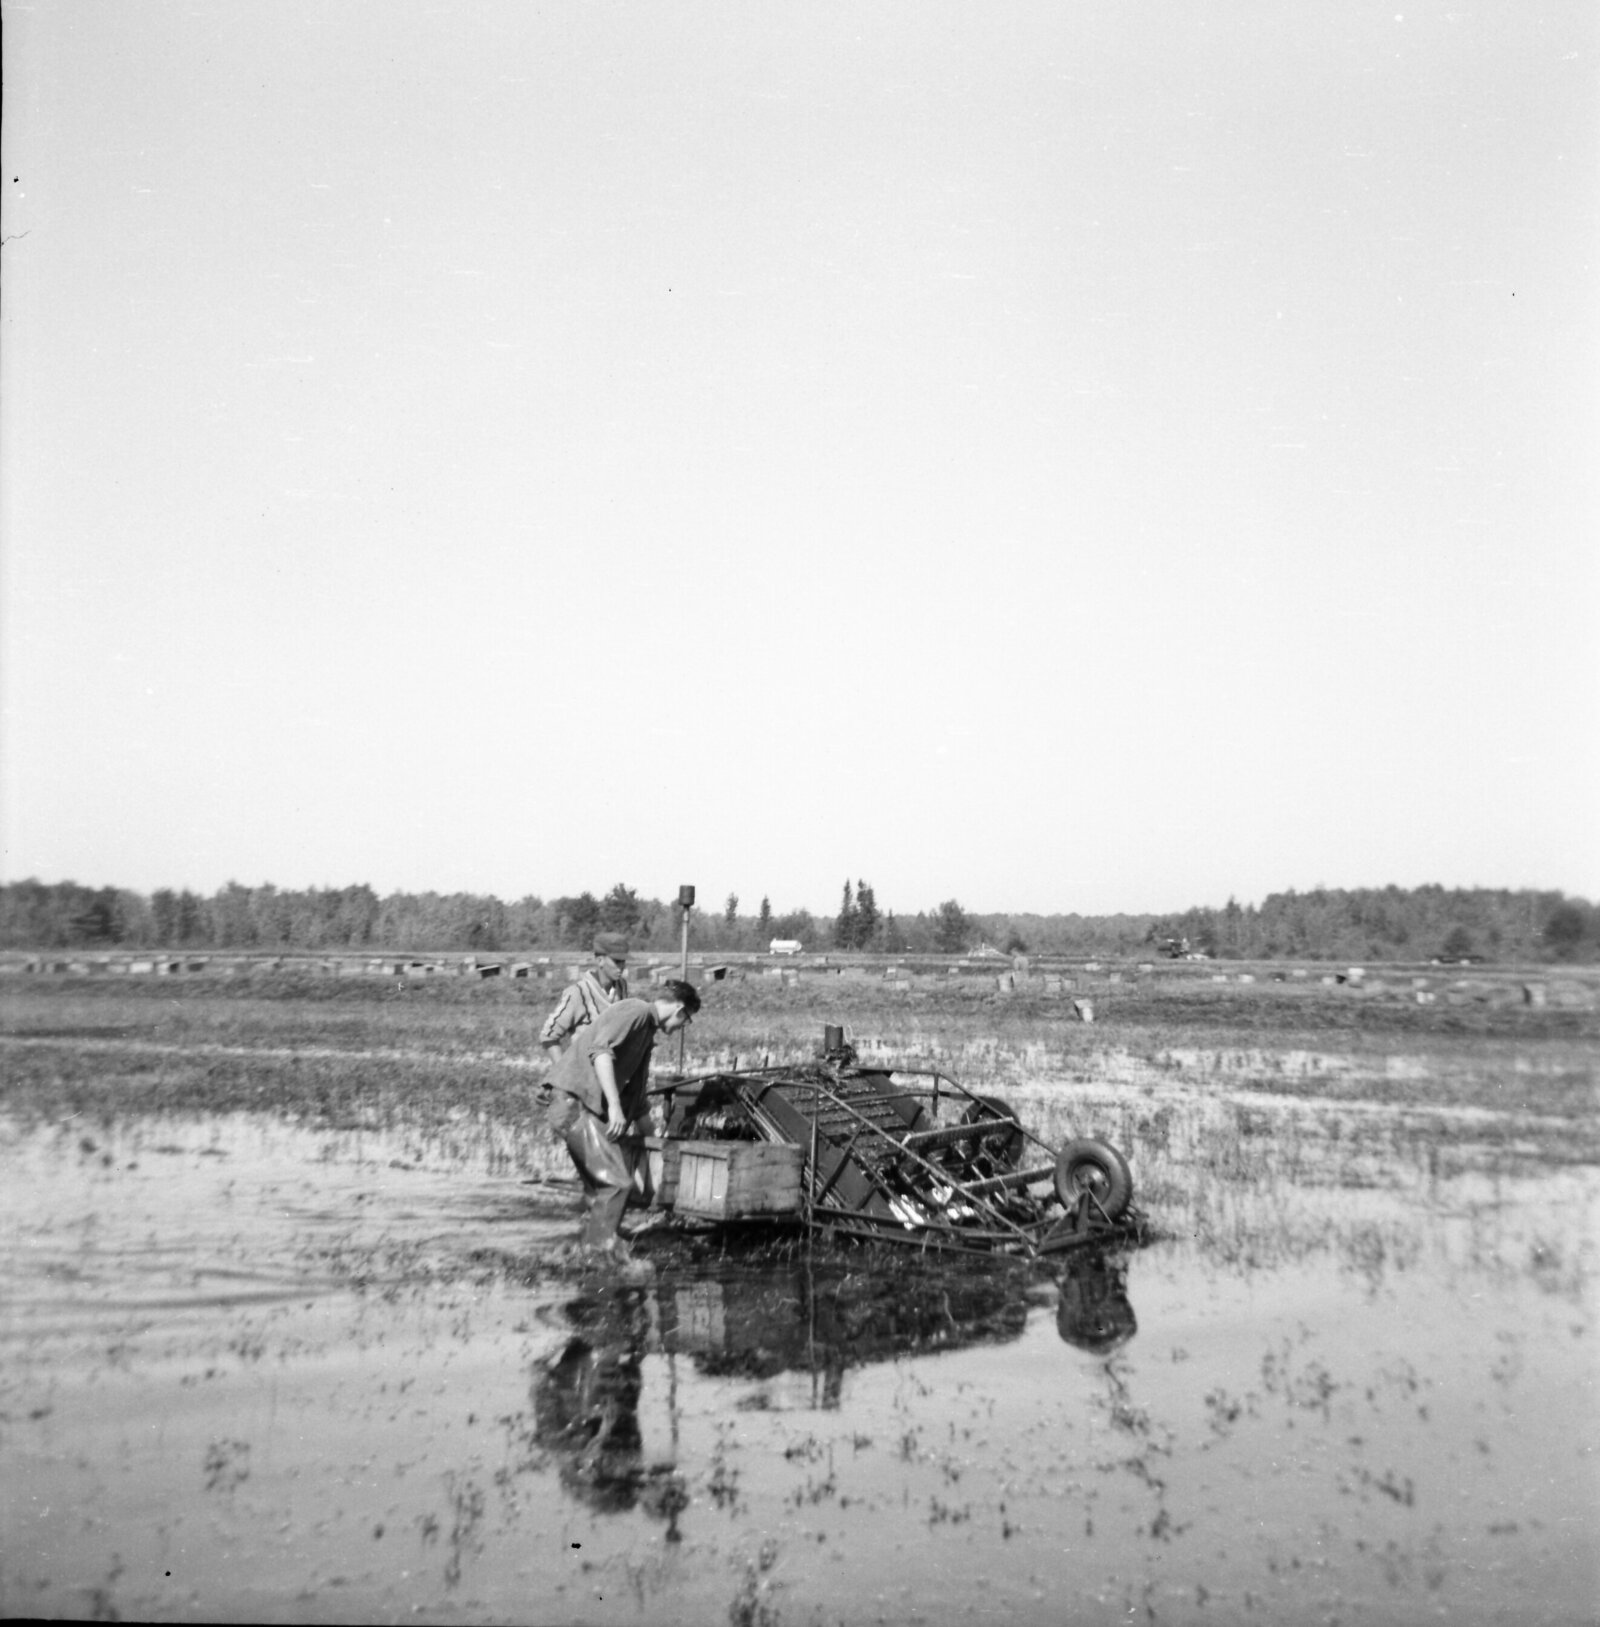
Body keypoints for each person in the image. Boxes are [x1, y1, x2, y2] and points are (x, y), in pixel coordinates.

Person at [547, 980, 700, 1260]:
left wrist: (655, 1143)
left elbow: (638, 1100)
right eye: (686, 1020)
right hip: (575, 1105)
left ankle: (586, 1254)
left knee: (598, 1190)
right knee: (617, 1183)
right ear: (679, 1009)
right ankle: (598, 1256)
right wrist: (615, 1107)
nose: (682, 1026)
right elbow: (600, 1052)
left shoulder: (645, 1033)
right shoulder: (637, 1011)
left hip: (578, 1107)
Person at [539, 932, 631, 1056]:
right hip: (584, 1069)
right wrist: (562, 1071)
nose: (621, 967)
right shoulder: (578, 993)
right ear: (600, 961)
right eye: (616, 961)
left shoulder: (622, 987)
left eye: (623, 961)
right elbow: (548, 1035)